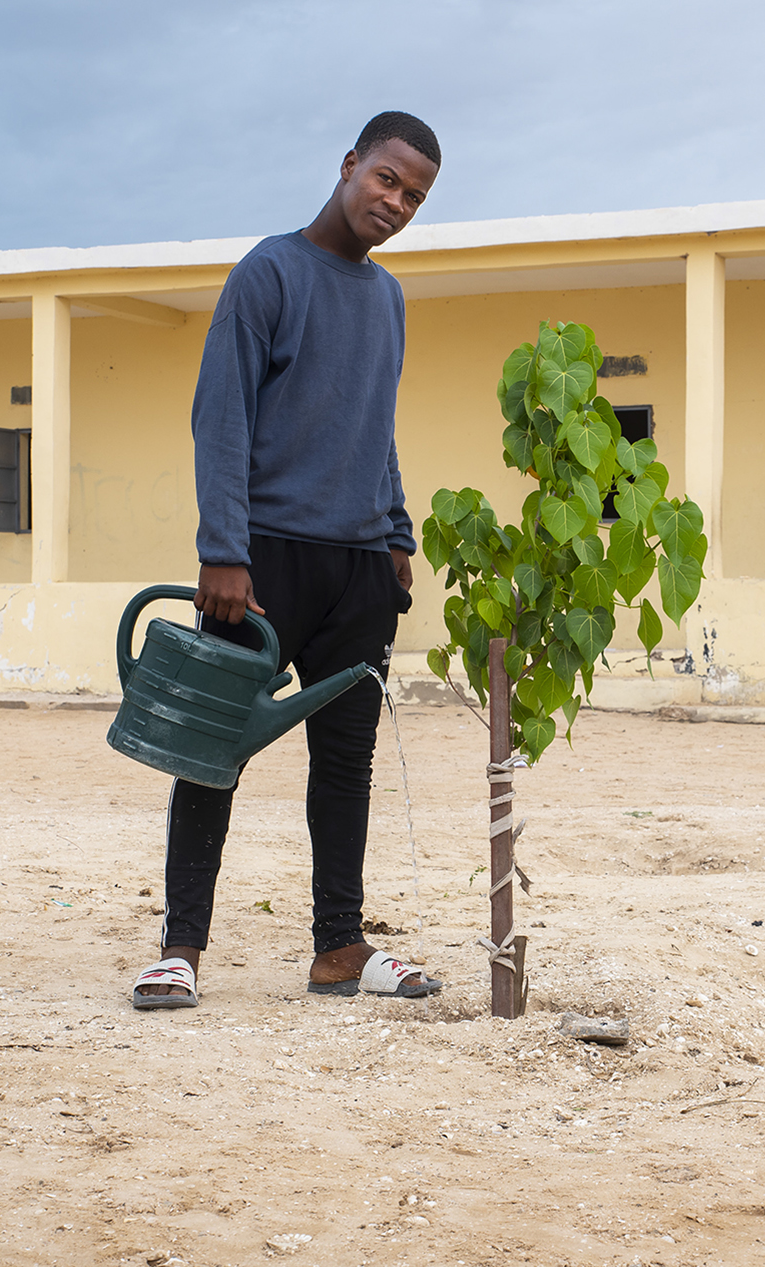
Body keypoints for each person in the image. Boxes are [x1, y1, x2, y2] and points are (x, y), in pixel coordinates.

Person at [133, 112, 443, 1009]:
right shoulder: (268, 273)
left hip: (360, 569)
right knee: (211, 752)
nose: (397, 203)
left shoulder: (388, 299)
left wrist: (396, 534)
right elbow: (221, 416)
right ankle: (180, 949)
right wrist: (223, 551)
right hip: (260, 568)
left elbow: (374, 424)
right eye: (387, 179)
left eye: (415, 196)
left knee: (346, 763)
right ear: (349, 165)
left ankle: (339, 948)